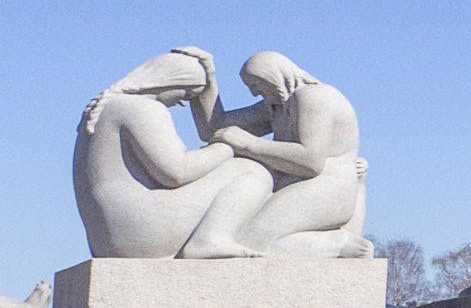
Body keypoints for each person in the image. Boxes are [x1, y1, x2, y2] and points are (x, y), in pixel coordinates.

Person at [73, 52, 279, 259]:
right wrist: (228, 146)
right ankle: (210, 239)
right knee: (249, 170)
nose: (183, 103)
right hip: (140, 231)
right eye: (187, 93)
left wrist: (209, 81)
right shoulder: (142, 108)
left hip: (109, 239)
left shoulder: (110, 107)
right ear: (169, 81)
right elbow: (178, 173)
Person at [183, 51, 372, 258]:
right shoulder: (277, 105)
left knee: (246, 242)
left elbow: (311, 161)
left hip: (326, 188)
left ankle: (338, 244)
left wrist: (248, 143)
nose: (254, 93)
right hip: (292, 186)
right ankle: (335, 244)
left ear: (274, 76)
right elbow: (214, 129)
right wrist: (207, 80)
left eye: (256, 84)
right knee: (237, 241)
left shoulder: (314, 97)